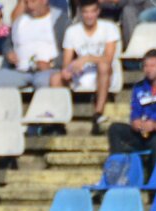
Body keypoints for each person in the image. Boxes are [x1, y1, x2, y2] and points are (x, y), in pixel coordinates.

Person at [106, 50, 156, 169]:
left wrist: (155, 126)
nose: (148, 69)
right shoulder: (139, 89)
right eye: (145, 66)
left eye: (152, 66)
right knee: (115, 129)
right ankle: (117, 171)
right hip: (146, 135)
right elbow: (135, 114)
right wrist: (136, 123)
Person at [53, 0, 120, 132]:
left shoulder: (109, 28)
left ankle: (98, 113)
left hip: (105, 71)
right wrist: (68, 70)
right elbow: (66, 61)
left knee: (103, 66)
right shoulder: (72, 31)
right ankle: (57, 121)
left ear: (98, 12)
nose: (89, 16)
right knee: (56, 78)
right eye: (85, 12)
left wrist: (86, 58)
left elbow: (108, 58)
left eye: (92, 12)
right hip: (82, 71)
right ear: (81, 13)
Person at [0, 0, 68, 90]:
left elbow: (70, 50)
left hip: (48, 71)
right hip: (20, 71)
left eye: (33, 2)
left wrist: (52, 64)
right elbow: (8, 44)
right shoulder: (20, 20)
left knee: (42, 82)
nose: (29, 6)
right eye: (26, 2)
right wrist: (9, 53)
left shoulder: (60, 20)